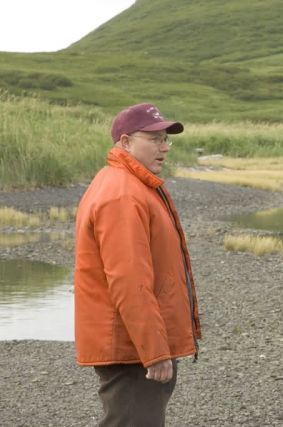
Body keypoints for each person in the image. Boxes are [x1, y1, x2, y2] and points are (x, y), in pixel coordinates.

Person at [74, 103, 202, 426]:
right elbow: (129, 281)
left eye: (166, 139)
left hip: (135, 346)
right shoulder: (122, 194)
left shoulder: (134, 185)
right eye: (154, 138)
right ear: (125, 142)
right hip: (131, 349)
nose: (164, 147)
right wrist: (155, 351)